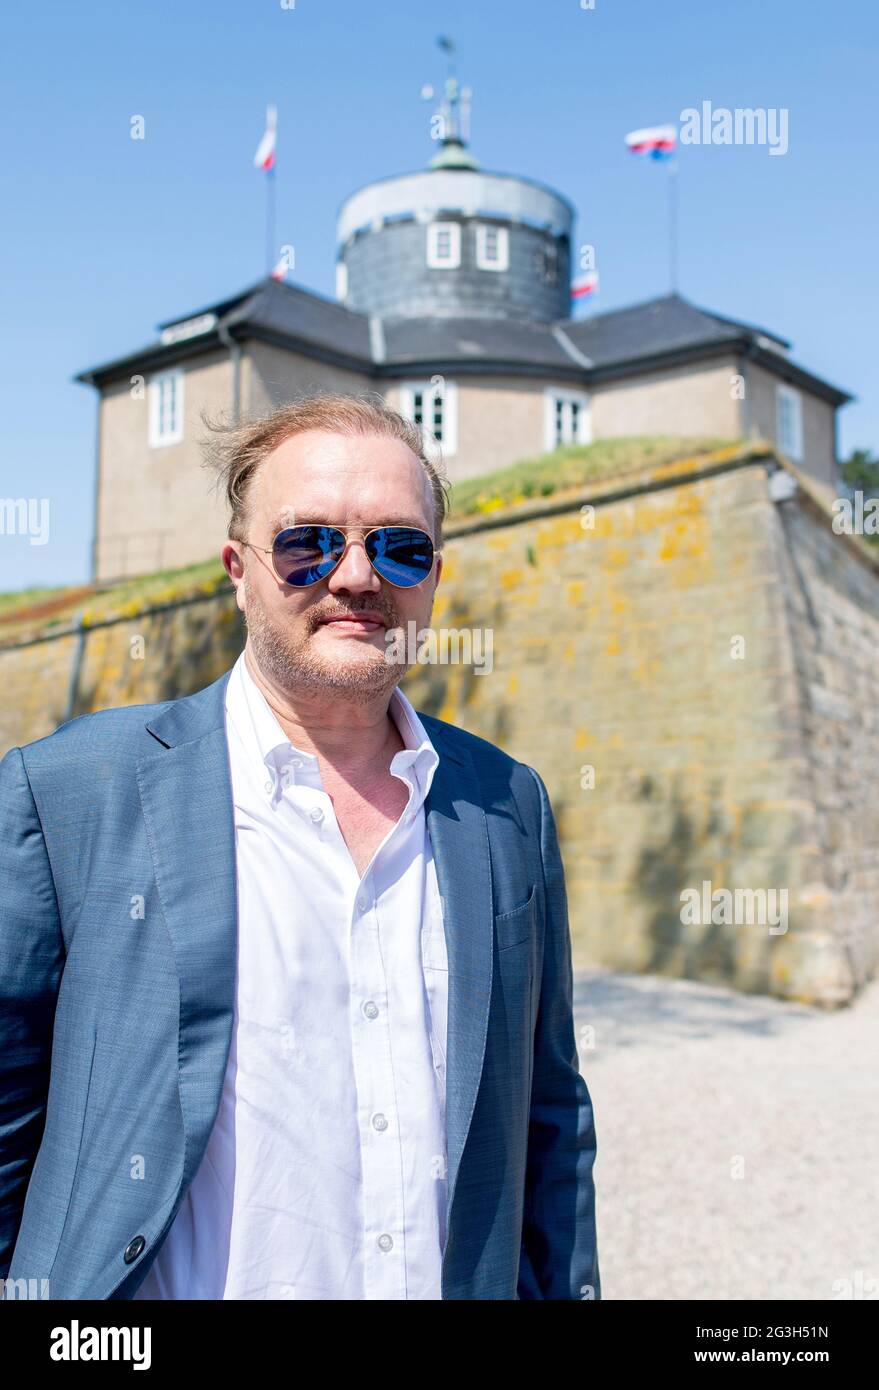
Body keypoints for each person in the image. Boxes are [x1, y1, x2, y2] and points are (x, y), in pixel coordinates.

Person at [0, 393, 600, 1301]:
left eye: (399, 546)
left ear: (433, 577)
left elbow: (548, 1117)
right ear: (238, 569)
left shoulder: (506, 803)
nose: (356, 576)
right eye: (307, 542)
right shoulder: (74, 790)